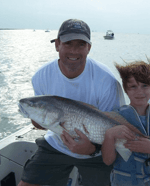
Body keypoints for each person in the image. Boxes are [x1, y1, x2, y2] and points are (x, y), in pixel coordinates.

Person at [18, 19, 125, 186]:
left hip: (98, 151)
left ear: (89, 48)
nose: (74, 51)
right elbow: (43, 122)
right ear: (57, 45)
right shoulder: (41, 76)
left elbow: (115, 126)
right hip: (56, 145)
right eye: (68, 44)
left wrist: (91, 150)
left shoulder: (107, 80)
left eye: (81, 44)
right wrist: (36, 118)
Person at [101, 59, 150, 186]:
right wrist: (109, 135)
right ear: (126, 89)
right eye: (133, 86)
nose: (139, 91)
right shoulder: (115, 118)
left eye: (145, 86)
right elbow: (108, 160)